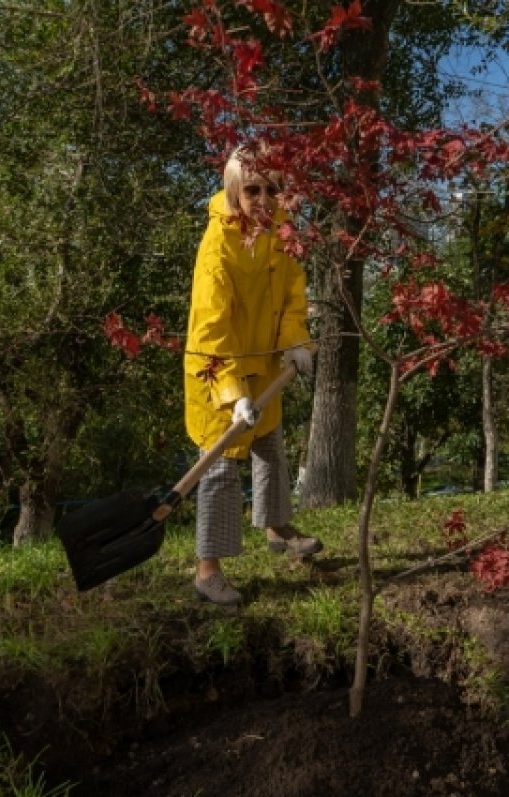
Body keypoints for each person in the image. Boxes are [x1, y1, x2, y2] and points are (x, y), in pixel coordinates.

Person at [184, 146, 322, 606]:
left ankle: (278, 528)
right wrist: (230, 393)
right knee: (220, 467)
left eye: (271, 189)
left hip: (264, 363)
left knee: (269, 446)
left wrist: (296, 342)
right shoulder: (217, 244)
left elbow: (292, 295)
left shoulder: (280, 234)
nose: (263, 199)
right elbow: (210, 327)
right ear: (234, 192)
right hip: (217, 368)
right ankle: (208, 571)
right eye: (252, 190)